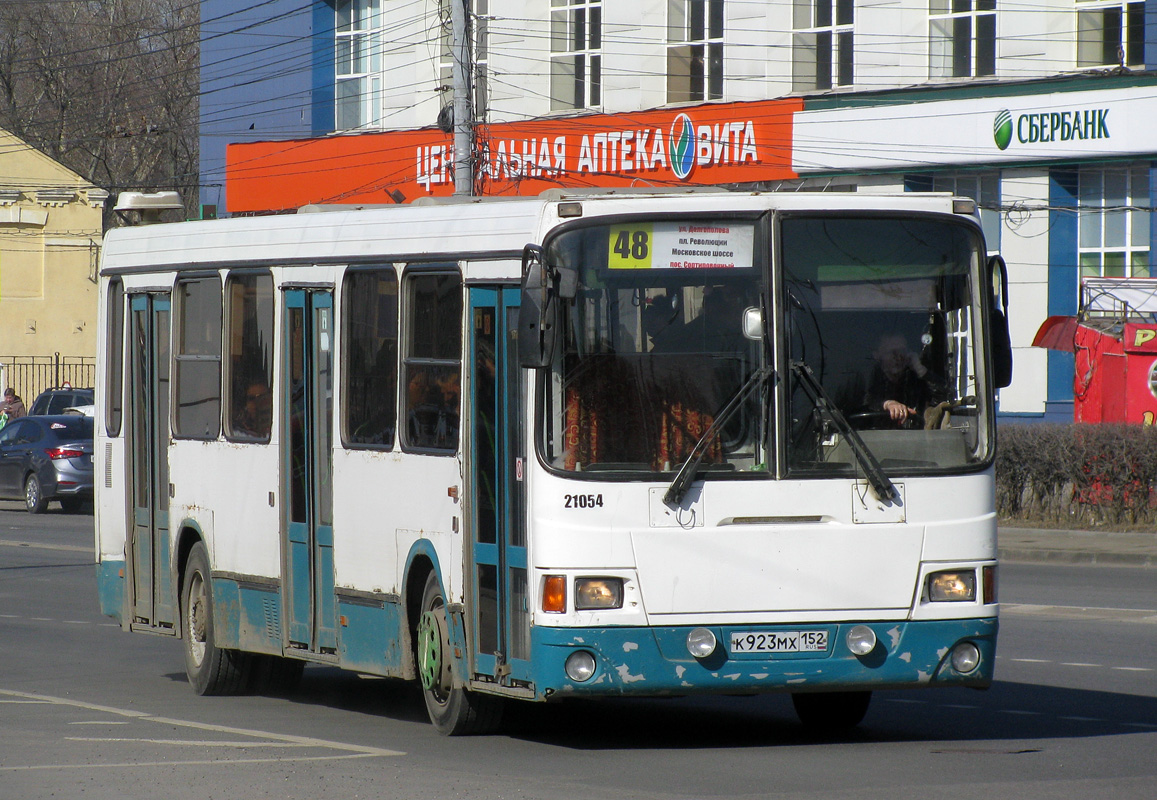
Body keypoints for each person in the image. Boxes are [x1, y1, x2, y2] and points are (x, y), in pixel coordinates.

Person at [856, 333, 947, 428]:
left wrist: (922, 372)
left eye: (902, 352)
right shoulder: (869, 380)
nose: (899, 358)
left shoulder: (916, 382)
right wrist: (887, 404)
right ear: (878, 355)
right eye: (893, 352)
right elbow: (864, 402)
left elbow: (945, 399)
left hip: (916, 439)